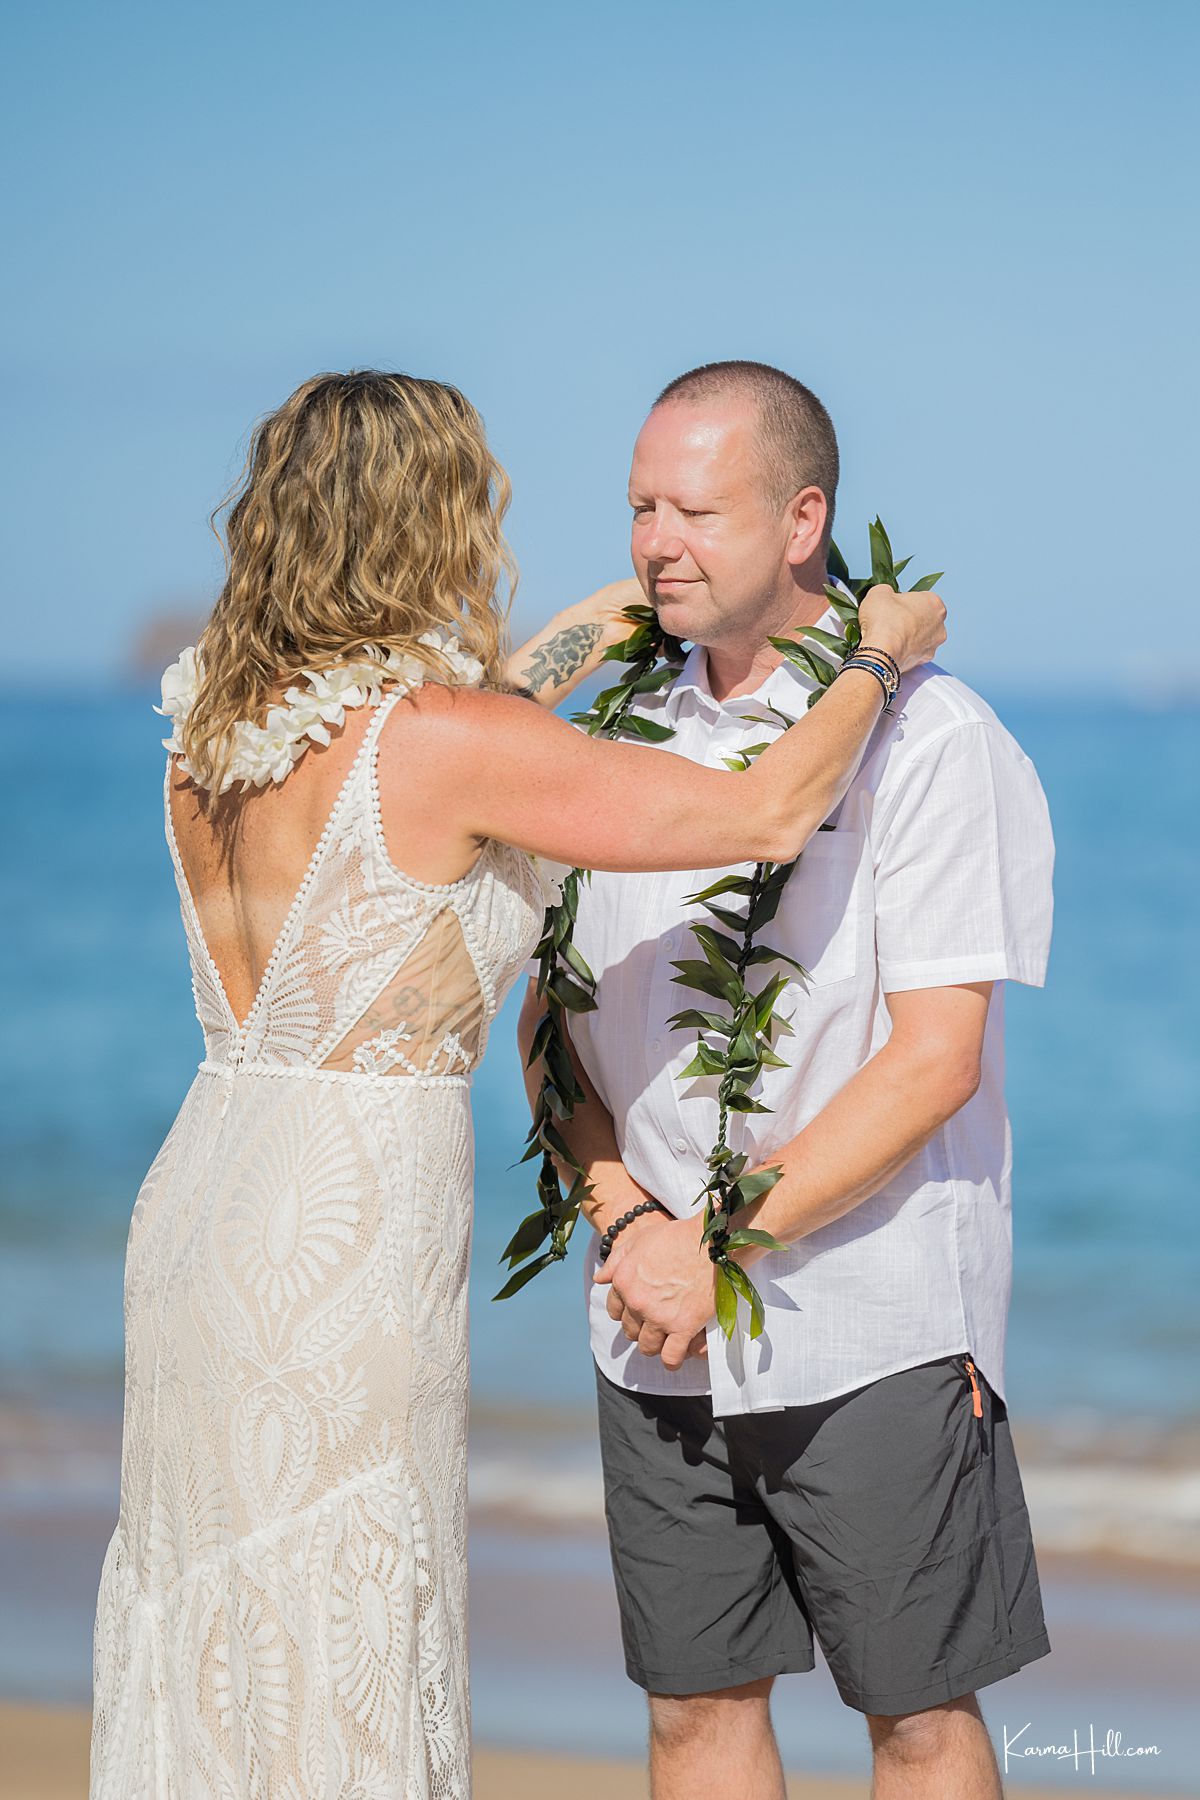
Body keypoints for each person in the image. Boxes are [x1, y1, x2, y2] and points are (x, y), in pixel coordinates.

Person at [88, 368, 945, 1800]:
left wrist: (616, 612)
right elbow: (763, 807)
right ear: (427, 522)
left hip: (203, 1209)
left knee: (222, 1603)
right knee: (340, 1592)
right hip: (338, 1241)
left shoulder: (218, 732)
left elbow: (476, 715)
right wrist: (879, 655)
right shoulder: (447, 745)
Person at [518, 360, 1055, 1800]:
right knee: (695, 1713)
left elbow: (935, 1063)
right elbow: (545, 1015)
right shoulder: (609, 734)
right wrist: (629, 1219)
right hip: (650, 1317)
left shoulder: (933, 739)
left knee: (919, 1722)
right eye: (639, 508)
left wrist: (719, 1246)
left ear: (803, 518)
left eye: (695, 508)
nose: (655, 542)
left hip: (868, 1319)